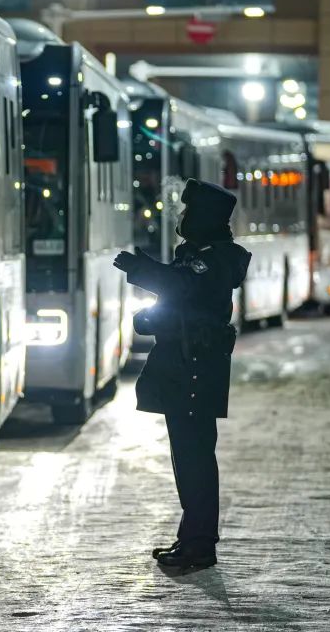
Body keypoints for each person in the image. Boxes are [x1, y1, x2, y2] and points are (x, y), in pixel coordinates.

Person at [113, 179, 251, 572]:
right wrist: (153, 318)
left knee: (195, 460)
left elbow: (184, 286)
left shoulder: (214, 259)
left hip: (195, 368)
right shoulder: (198, 255)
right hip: (186, 366)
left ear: (206, 217)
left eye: (191, 211)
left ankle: (200, 545)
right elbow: (180, 298)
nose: (184, 218)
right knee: (187, 457)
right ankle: (191, 538)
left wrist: (143, 269)